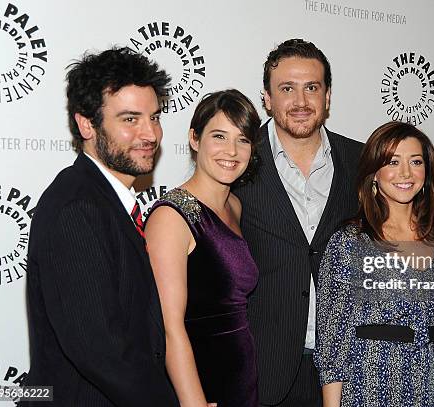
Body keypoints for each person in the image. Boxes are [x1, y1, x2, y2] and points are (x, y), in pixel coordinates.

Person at [23, 47, 177, 406]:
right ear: (86, 124)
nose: (150, 134)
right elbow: (102, 352)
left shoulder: (110, 201)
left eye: (154, 117)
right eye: (130, 119)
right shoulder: (77, 209)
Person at [232, 38, 363, 406]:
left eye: (312, 88)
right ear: (267, 98)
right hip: (264, 369)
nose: (301, 102)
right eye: (287, 89)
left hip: (349, 369)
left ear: (328, 96)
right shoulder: (239, 161)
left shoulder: (361, 160)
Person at [314, 121, 434, 407]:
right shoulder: (350, 242)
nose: (405, 173)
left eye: (415, 161)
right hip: (369, 382)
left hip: (428, 382)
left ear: (426, 173)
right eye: (392, 161)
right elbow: (332, 340)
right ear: (374, 173)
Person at [145, 89, 262, 407]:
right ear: (195, 139)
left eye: (243, 139)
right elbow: (169, 327)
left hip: (241, 382)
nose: (232, 151)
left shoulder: (235, 206)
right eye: (219, 136)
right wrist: (193, 401)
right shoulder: (172, 215)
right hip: (200, 386)